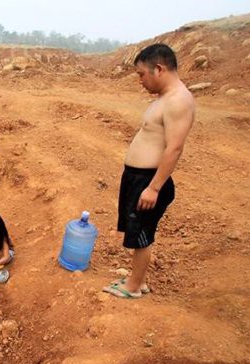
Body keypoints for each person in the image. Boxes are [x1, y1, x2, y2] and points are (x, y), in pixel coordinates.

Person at [102, 43, 195, 299]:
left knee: (141, 234)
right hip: (138, 178)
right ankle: (137, 280)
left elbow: (174, 148)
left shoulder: (178, 101)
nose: (140, 81)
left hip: (148, 180)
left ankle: (133, 288)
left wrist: (154, 187)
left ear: (159, 68)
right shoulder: (165, 99)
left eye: (142, 74)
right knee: (136, 231)